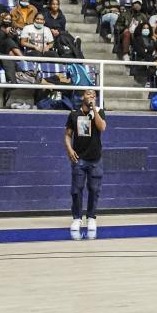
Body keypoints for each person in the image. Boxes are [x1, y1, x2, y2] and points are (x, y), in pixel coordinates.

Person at [64, 90, 106, 240]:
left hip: (95, 159)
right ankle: (77, 218)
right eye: (88, 94)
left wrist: (94, 109)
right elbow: (68, 135)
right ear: (83, 97)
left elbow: (102, 128)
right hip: (79, 159)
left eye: (94, 95)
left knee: (94, 190)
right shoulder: (74, 114)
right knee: (76, 190)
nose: (91, 96)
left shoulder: (99, 112)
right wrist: (69, 150)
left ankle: (91, 218)